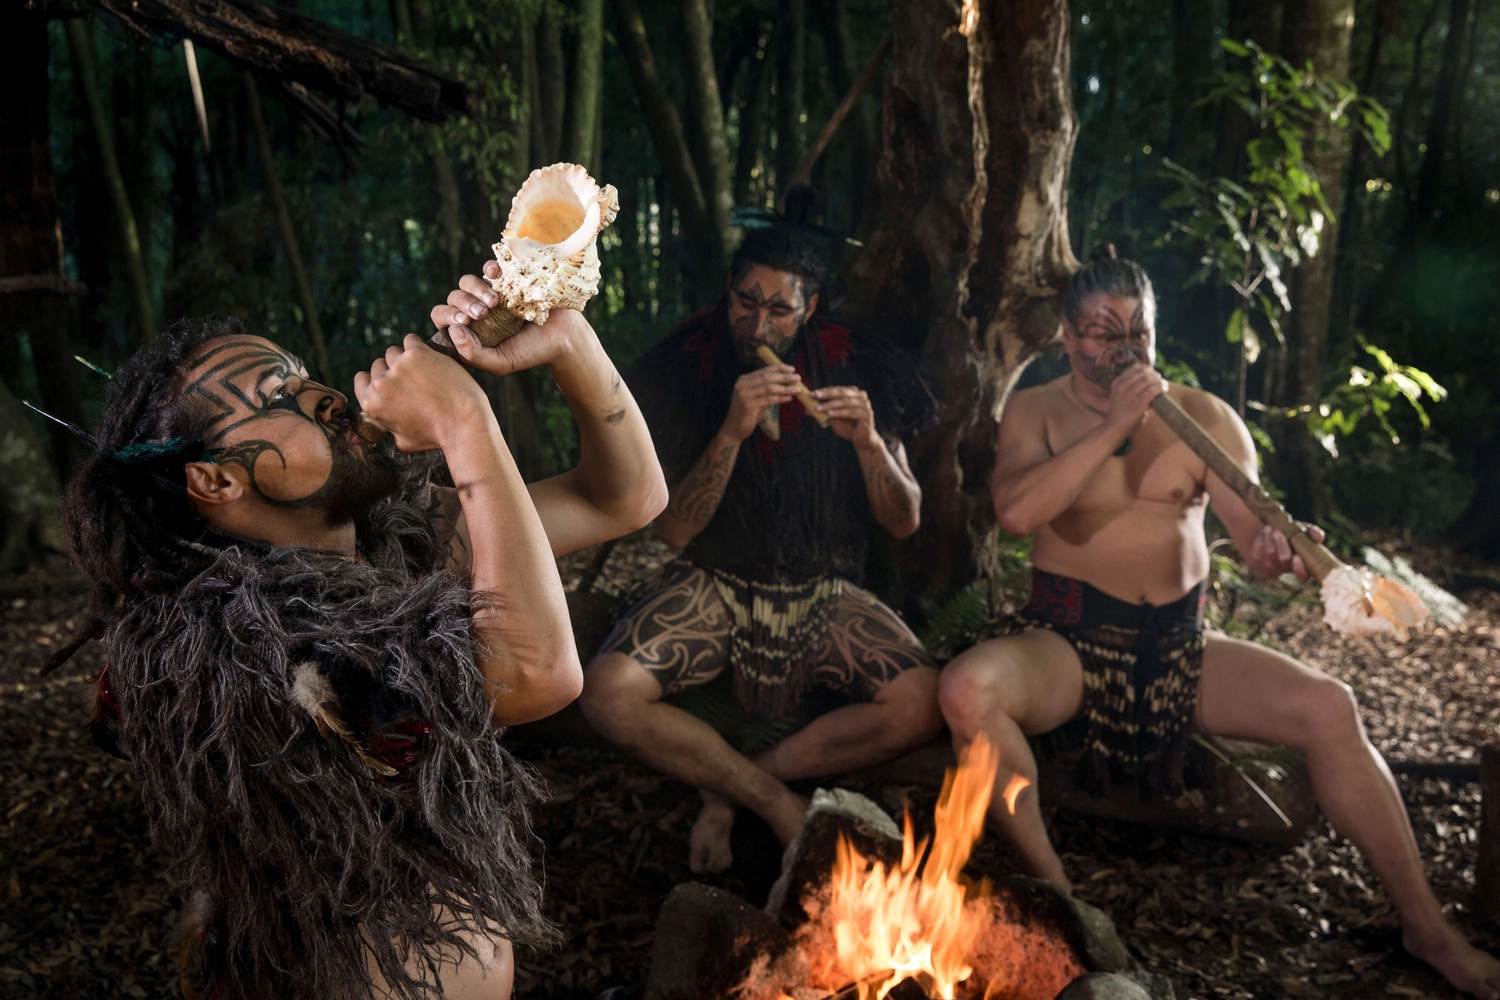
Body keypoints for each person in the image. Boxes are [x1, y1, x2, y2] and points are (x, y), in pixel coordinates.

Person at [54, 264, 666, 1000]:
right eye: (280, 397)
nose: (327, 398)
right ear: (216, 480)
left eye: (306, 375)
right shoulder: (238, 645)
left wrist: (569, 343)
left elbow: (624, 498)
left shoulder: (382, 540)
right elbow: (536, 674)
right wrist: (465, 421)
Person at [938, 246, 1500, 1000]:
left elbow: (1255, 542)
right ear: (1068, 337)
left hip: (1178, 645)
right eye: (1104, 333)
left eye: (1139, 333)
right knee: (968, 691)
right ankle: (1063, 899)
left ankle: (1426, 927)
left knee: (1330, 706)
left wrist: (1277, 549)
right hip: (1066, 642)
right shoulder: (1036, 409)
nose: (1123, 348)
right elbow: (1015, 514)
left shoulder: (1206, 418)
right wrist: (1117, 424)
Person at [580, 225, 943, 874]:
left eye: (779, 308)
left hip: (826, 590)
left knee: (920, 703)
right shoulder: (690, 362)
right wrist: (731, 432)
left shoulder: (857, 362)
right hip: (717, 583)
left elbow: (905, 520)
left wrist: (869, 445)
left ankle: (728, 788)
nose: (758, 323)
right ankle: (774, 803)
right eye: (746, 301)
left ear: (810, 307)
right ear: (728, 292)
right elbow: (674, 533)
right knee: (608, 694)